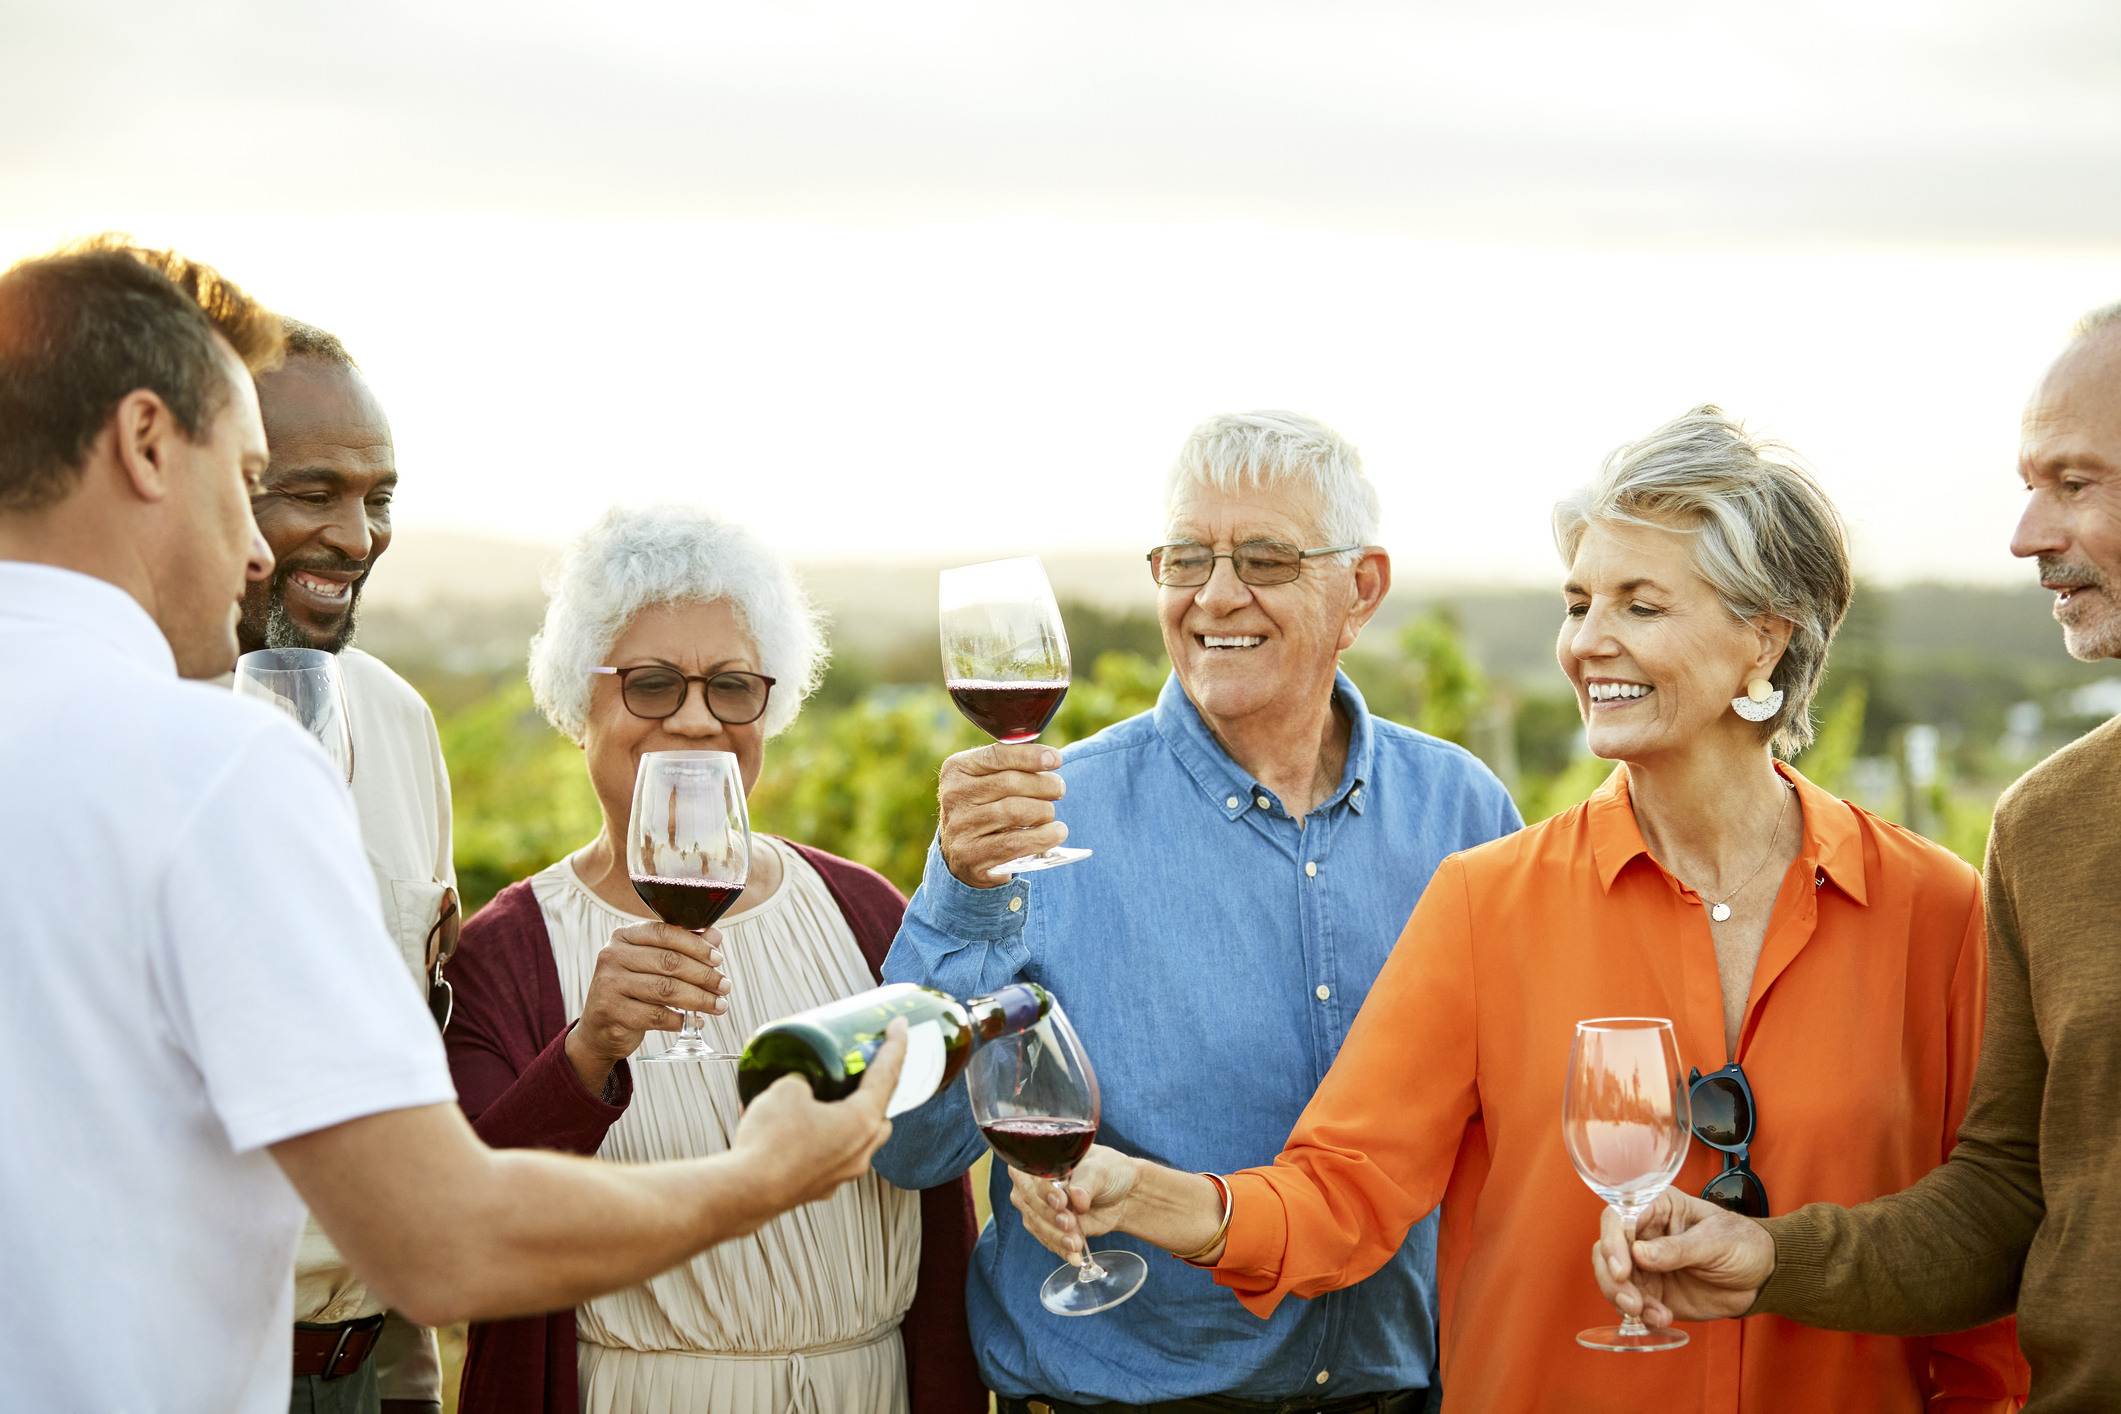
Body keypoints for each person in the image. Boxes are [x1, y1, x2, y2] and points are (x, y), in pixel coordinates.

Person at [0, 237, 909, 1414]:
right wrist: (762, 1175)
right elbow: (438, 1241)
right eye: (249, 477)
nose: (265, 545)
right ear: (143, 443)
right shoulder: (214, 766)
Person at [1013, 407, 2028, 1412]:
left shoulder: (1934, 912)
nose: (1589, 643)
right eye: (1578, 602)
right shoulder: (1486, 901)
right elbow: (1343, 1191)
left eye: (1640, 605)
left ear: (1764, 640)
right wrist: (1147, 1196)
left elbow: (1983, 1243)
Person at [876, 412, 1524, 1411]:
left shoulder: (1462, 811)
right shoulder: (1046, 825)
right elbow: (908, 1145)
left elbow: (1521, 1127)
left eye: (1265, 558)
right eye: (1189, 557)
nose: (1216, 595)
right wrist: (963, 895)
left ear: (1363, 589)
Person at [1593, 305, 2121, 1411]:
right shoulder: (2050, 824)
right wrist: (1772, 1256)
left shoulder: (1935, 889)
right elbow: (2008, 1194)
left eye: (2076, 483)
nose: (2026, 533)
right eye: (2031, 484)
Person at [444, 502, 985, 1414]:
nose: (696, 721)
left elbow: (937, 1155)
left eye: (731, 686)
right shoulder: (506, 954)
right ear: (582, 706)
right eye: (651, 684)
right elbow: (461, 1231)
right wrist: (584, 1058)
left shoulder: (860, 912)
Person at [236, 319, 459, 1413]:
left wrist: (409, 1376)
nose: (356, 535)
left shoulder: (401, 721)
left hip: (364, 1371)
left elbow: (402, 1080)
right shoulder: (114, 723)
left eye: (377, 498)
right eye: (309, 491)